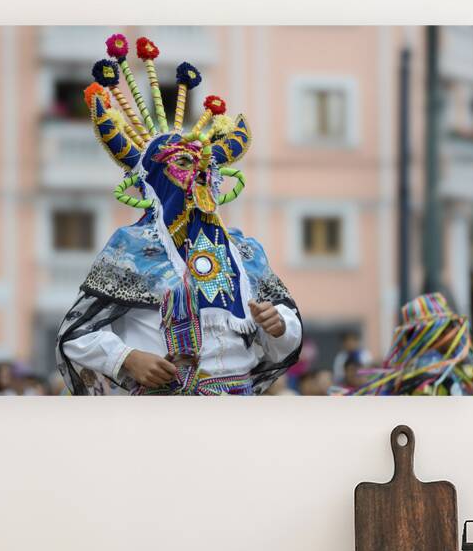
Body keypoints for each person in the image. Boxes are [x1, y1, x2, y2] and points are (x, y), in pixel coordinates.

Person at [57, 34, 303, 396]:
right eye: (184, 165)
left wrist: (278, 325)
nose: (198, 177)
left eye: (206, 167)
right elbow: (77, 334)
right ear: (156, 180)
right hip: (162, 410)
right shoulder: (132, 248)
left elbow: (281, 342)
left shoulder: (244, 252)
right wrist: (126, 358)